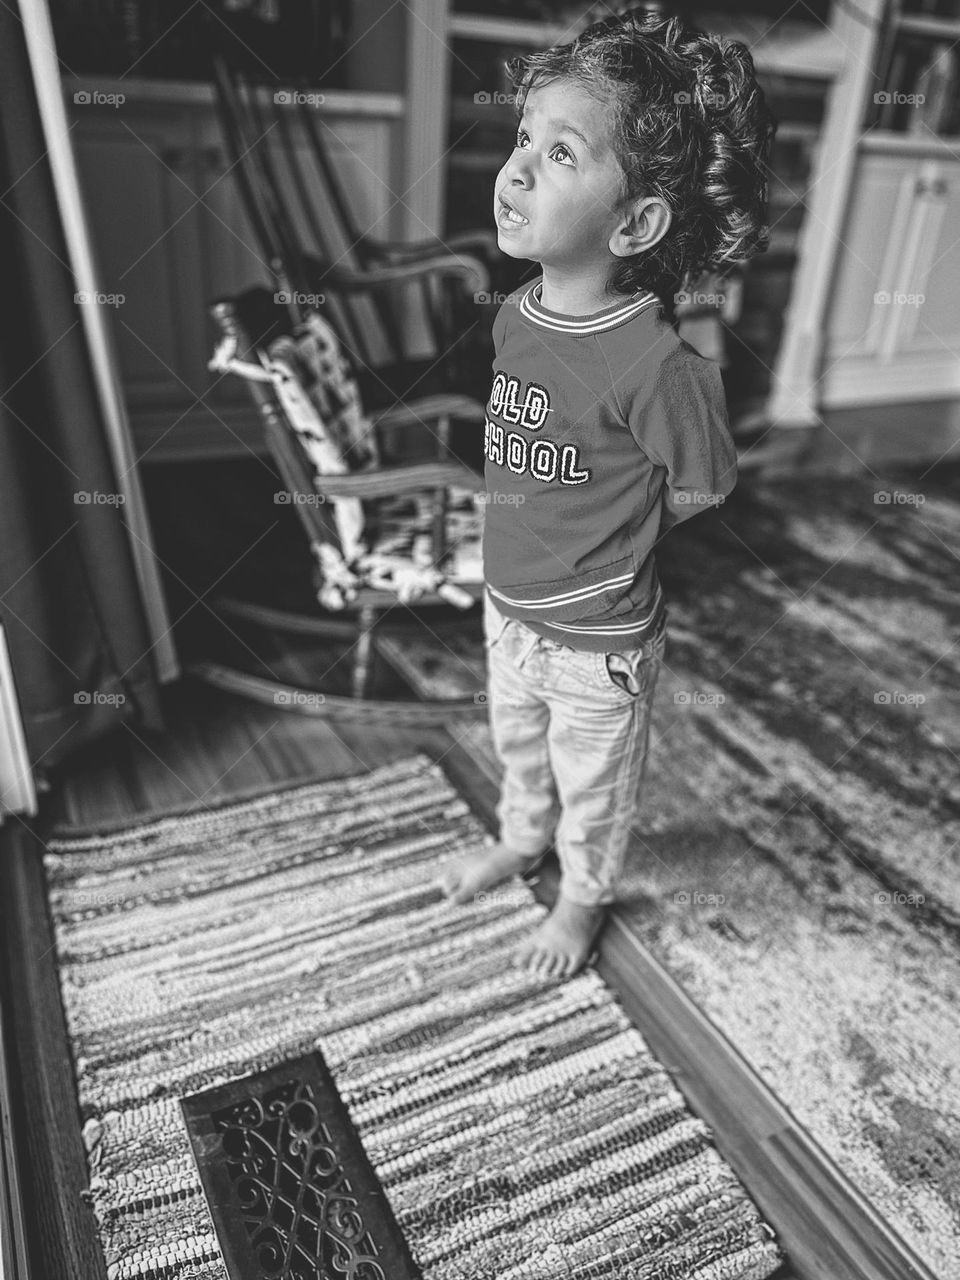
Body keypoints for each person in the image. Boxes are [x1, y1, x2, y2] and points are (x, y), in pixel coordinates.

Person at [438, 8, 775, 978]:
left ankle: (584, 895)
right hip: (509, 607)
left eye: (560, 153)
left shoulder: (656, 362)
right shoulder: (511, 316)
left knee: (596, 783)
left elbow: (706, 482)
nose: (516, 170)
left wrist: (618, 536)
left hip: (601, 644)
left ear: (634, 223)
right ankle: (519, 836)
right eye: (520, 142)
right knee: (519, 745)